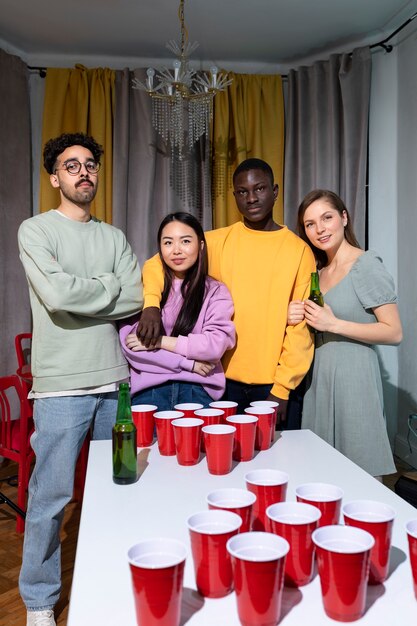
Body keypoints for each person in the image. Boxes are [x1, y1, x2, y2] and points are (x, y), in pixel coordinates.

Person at [17, 132, 142, 626]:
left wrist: (94, 291)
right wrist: (107, 286)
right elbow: (57, 296)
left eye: (90, 164)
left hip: (114, 381)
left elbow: (135, 298)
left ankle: (111, 577)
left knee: (119, 488)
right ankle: (40, 602)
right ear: (55, 178)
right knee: (50, 499)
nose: (83, 172)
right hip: (61, 385)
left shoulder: (114, 236)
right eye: (72, 166)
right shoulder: (36, 230)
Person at [138, 159, 316, 422]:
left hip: (274, 386)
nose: (251, 198)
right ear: (234, 196)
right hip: (219, 380)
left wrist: (282, 390)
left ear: (275, 191)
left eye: (260, 189)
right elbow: (156, 263)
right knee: (223, 460)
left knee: (277, 460)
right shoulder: (215, 241)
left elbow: (301, 329)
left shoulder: (299, 250)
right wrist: (151, 305)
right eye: (242, 192)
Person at [287, 189, 402, 477]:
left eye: (326, 218)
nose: (319, 229)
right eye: (310, 224)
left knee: (359, 476)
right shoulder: (318, 271)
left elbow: (394, 332)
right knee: (320, 475)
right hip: (317, 379)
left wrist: (333, 324)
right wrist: (293, 316)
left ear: (344, 217)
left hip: (355, 379)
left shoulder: (365, 265)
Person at [119, 212, 235, 409]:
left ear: (201, 245)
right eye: (168, 243)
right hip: (150, 391)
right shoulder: (145, 288)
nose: (176, 250)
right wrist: (189, 364)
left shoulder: (215, 291)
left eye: (186, 241)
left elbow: (214, 346)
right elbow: (132, 346)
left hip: (197, 389)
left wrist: (160, 341)